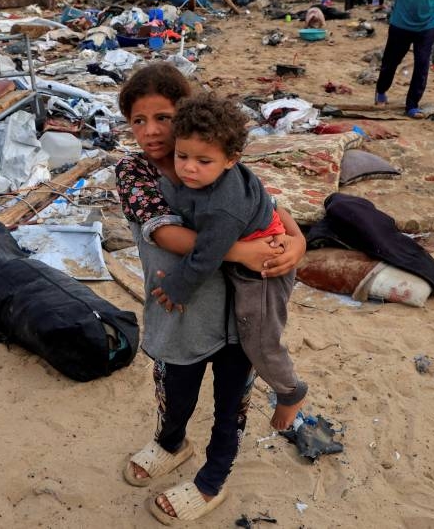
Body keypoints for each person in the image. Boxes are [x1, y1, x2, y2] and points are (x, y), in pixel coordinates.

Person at [116, 62, 306, 524]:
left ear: (185, 114)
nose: (151, 131)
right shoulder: (136, 172)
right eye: (138, 121)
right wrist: (243, 252)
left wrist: (296, 244)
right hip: (180, 313)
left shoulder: (220, 160)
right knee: (175, 389)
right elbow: (165, 235)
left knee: (229, 406)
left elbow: (274, 211)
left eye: (163, 117)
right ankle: (171, 443)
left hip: (238, 318)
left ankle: (212, 481)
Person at [156, 92, 307, 424]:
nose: (189, 168)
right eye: (182, 156)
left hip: (266, 270)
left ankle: (289, 391)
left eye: (203, 161)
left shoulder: (224, 208)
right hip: (252, 253)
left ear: (231, 159)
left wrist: (177, 288)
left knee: (259, 340)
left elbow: (207, 255)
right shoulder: (205, 179)